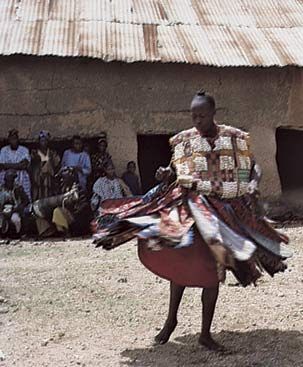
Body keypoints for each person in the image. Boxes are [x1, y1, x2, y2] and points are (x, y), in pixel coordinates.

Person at [94, 91, 292, 350]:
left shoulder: (233, 138)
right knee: (180, 259)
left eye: (202, 115)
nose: (197, 120)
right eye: (193, 115)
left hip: (223, 210)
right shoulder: (186, 141)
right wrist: (166, 173)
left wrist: (253, 184)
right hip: (189, 206)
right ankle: (170, 320)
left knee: (212, 271)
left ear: (213, 113)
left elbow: (253, 166)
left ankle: (205, 334)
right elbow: (175, 169)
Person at [32, 167, 89, 237]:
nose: (61, 179)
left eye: (63, 177)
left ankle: (65, 232)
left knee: (57, 211)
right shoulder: (61, 188)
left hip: (76, 221)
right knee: (39, 210)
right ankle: (48, 232)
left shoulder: (78, 190)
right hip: (66, 215)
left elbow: (80, 211)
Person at [0, 129, 32, 200]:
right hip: (7, 180)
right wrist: (18, 165)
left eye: (15, 139)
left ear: (18, 139)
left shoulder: (24, 150)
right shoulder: (3, 150)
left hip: (21, 179)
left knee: (24, 200)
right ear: (8, 140)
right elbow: (1, 165)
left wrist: (7, 165)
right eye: (11, 139)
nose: (13, 141)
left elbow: (24, 165)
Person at [31, 130, 61, 201]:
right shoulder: (34, 153)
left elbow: (57, 164)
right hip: (38, 180)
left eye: (45, 140)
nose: (43, 142)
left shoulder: (52, 153)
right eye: (41, 140)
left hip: (49, 180)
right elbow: (31, 166)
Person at [0, 170, 30, 237]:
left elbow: (26, 201)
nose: (10, 182)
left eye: (12, 179)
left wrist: (18, 208)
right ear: (5, 180)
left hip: (15, 210)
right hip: (2, 210)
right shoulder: (1, 189)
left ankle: (18, 234)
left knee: (16, 220)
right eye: (9, 180)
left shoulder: (18, 188)